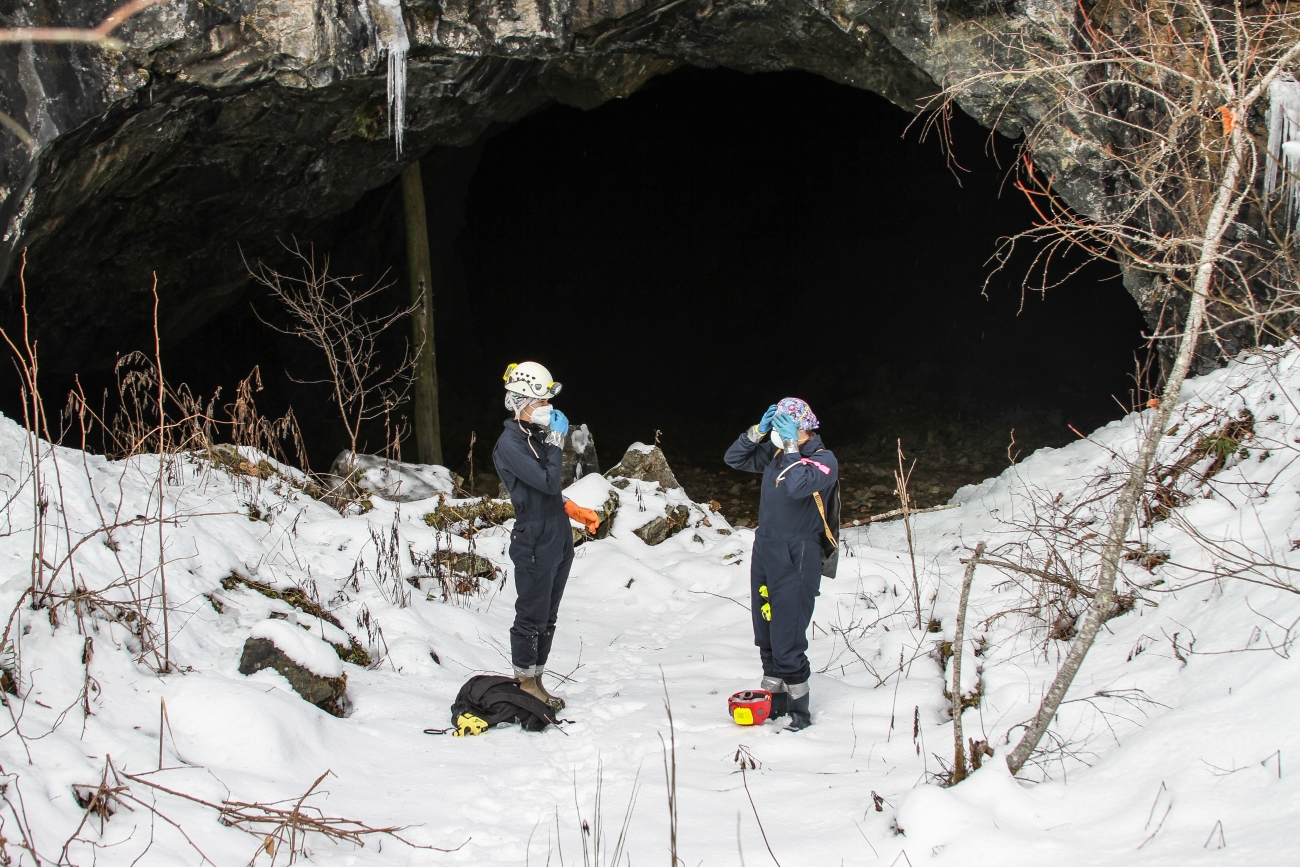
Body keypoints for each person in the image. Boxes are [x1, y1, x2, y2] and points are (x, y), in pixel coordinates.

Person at [724, 397, 838, 730]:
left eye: (784, 426)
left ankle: (800, 711)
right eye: (776, 426)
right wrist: (757, 432)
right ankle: (775, 699)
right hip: (766, 547)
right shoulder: (775, 454)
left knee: (788, 634)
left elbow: (799, 484)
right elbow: (734, 458)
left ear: (804, 428)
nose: (778, 432)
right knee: (766, 630)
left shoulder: (823, 460)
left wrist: (790, 446)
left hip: (798, 552)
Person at [492, 361, 599, 712]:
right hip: (534, 536)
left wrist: (570, 508)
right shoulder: (510, 444)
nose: (547, 408)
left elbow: (545, 489)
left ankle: (537, 679)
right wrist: (556, 440)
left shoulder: (533, 436)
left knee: (548, 615)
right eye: (540, 402)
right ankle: (524, 683)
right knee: (532, 614)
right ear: (519, 402)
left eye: (547, 401)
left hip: (557, 531)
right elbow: (548, 481)